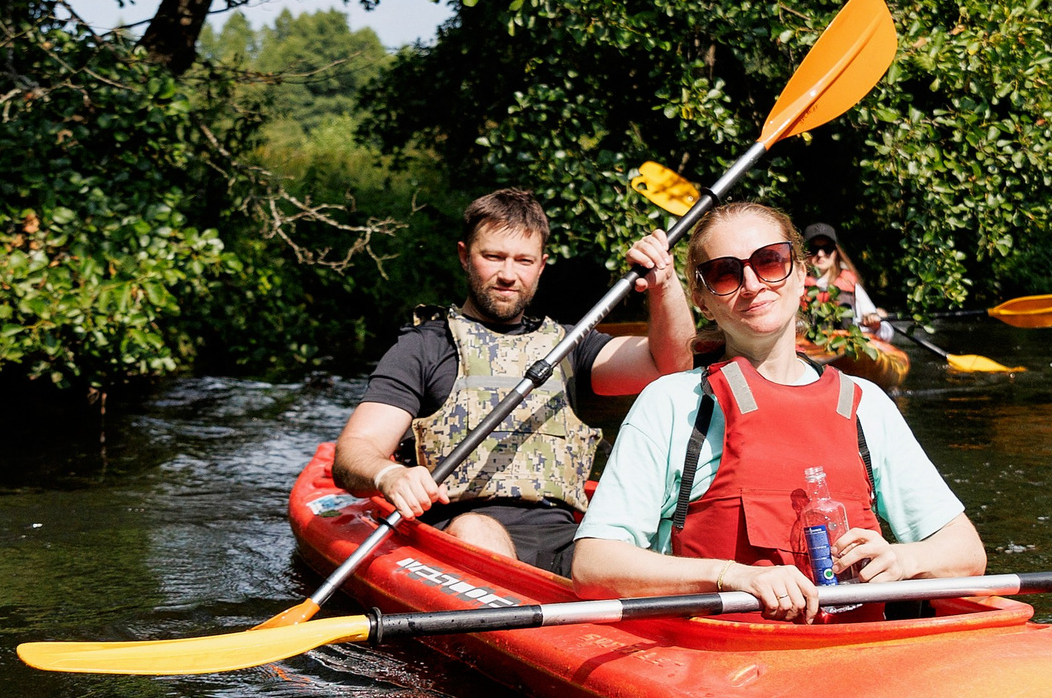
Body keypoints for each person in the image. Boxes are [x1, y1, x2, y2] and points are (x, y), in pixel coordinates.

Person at [572, 202, 984, 621]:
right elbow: (594, 565)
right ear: (702, 298)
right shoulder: (672, 403)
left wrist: (902, 559)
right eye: (725, 273)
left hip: (860, 658)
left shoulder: (866, 403)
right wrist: (731, 576)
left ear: (801, 273)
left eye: (770, 261)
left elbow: (965, 552)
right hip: (720, 663)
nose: (752, 284)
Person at [331, 188, 695, 575]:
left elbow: (670, 365)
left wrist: (665, 284)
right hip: (462, 532)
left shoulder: (570, 346)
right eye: (493, 257)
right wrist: (390, 475)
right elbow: (354, 451)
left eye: (523, 260)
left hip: (565, 537)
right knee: (477, 529)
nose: (508, 274)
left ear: (541, 265)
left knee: (633, 556)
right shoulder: (425, 347)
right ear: (463, 256)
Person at [799, 221, 893, 343]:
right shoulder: (796, 284)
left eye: (827, 249)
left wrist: (876, 325)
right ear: (804, 253)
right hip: (808, 347)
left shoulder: (849, 283)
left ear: (836, 252)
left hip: (843, 348)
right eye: (813, 249)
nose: (820, 254)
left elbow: (887, 333)